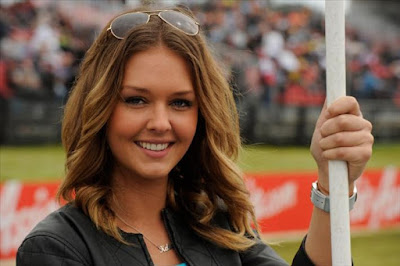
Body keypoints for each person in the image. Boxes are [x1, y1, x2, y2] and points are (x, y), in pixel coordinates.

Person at [17, 6, 373, 266]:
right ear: (99, 107)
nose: (160, 122)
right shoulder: (57, 248)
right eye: (136, 100)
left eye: (180, 103)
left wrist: (331, 184)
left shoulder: (219, 226)